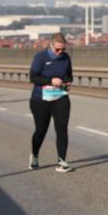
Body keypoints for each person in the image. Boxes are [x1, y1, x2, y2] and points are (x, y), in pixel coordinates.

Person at [28, 33, 74, 172]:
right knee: (41, 131)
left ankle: (62, 161)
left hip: (60, 97)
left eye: (63, 49)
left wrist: (66, 82)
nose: (60, 52)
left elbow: (69, 75)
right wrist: (50, 81)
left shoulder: (65, 58)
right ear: (51, 45)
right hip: (40, 99)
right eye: (57, 50)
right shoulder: (40, 57)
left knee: (62, 129)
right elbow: (33, 78)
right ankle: (35, 156)